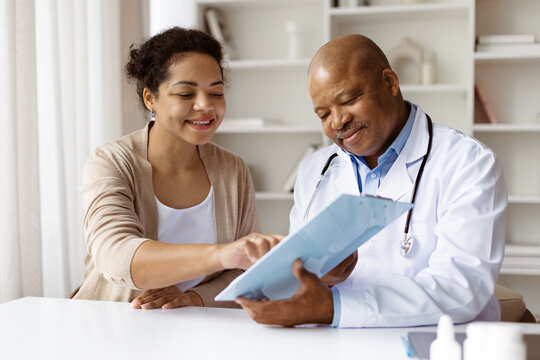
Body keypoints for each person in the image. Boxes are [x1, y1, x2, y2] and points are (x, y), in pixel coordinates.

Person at [236, 34, 507, 328]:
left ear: (390, 82)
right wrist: (323, 279)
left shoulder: (467, 163)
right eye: (323, 114)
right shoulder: (315, 171)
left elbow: (462, 288)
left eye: (349, 100)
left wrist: (334, 308)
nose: (337, 121)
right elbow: (297, 276)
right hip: (336, 344)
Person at [72, 27, 284, 309]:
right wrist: (223, 254)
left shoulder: (232, 169)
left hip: (196, 330)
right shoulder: (111, 161)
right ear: (151, 99)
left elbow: (243, 270)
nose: (205, 105)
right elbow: (116, 255)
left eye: (216, 93)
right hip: (113, 326)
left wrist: (194, 298)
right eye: (185, 94)